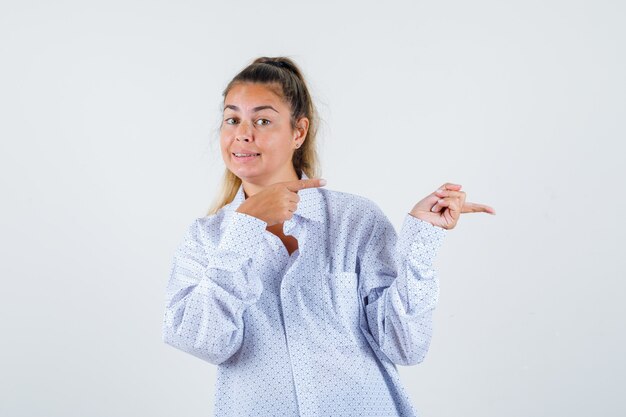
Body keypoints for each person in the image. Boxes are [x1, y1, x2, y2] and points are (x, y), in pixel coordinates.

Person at [162, 56, 496, 417]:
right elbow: (202, 341)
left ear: (299, 132)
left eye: (262, 120)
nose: (244, 133)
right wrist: (245, 228)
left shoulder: (355, 220)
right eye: (232, 119)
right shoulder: (205, 239)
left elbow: (405, 346)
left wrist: (420, 245)